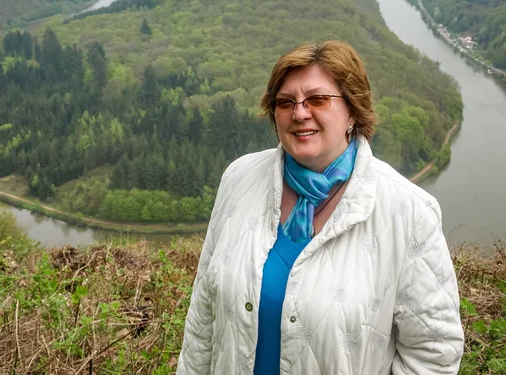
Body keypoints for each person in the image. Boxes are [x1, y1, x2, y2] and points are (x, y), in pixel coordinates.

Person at [176, 40, 464, 375]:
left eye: (318, 99)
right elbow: (202, 318)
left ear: (353, 110)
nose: (299, 113)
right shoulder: (239, 179)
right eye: (285, 102)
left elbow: (433, 352)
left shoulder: (408, 211)